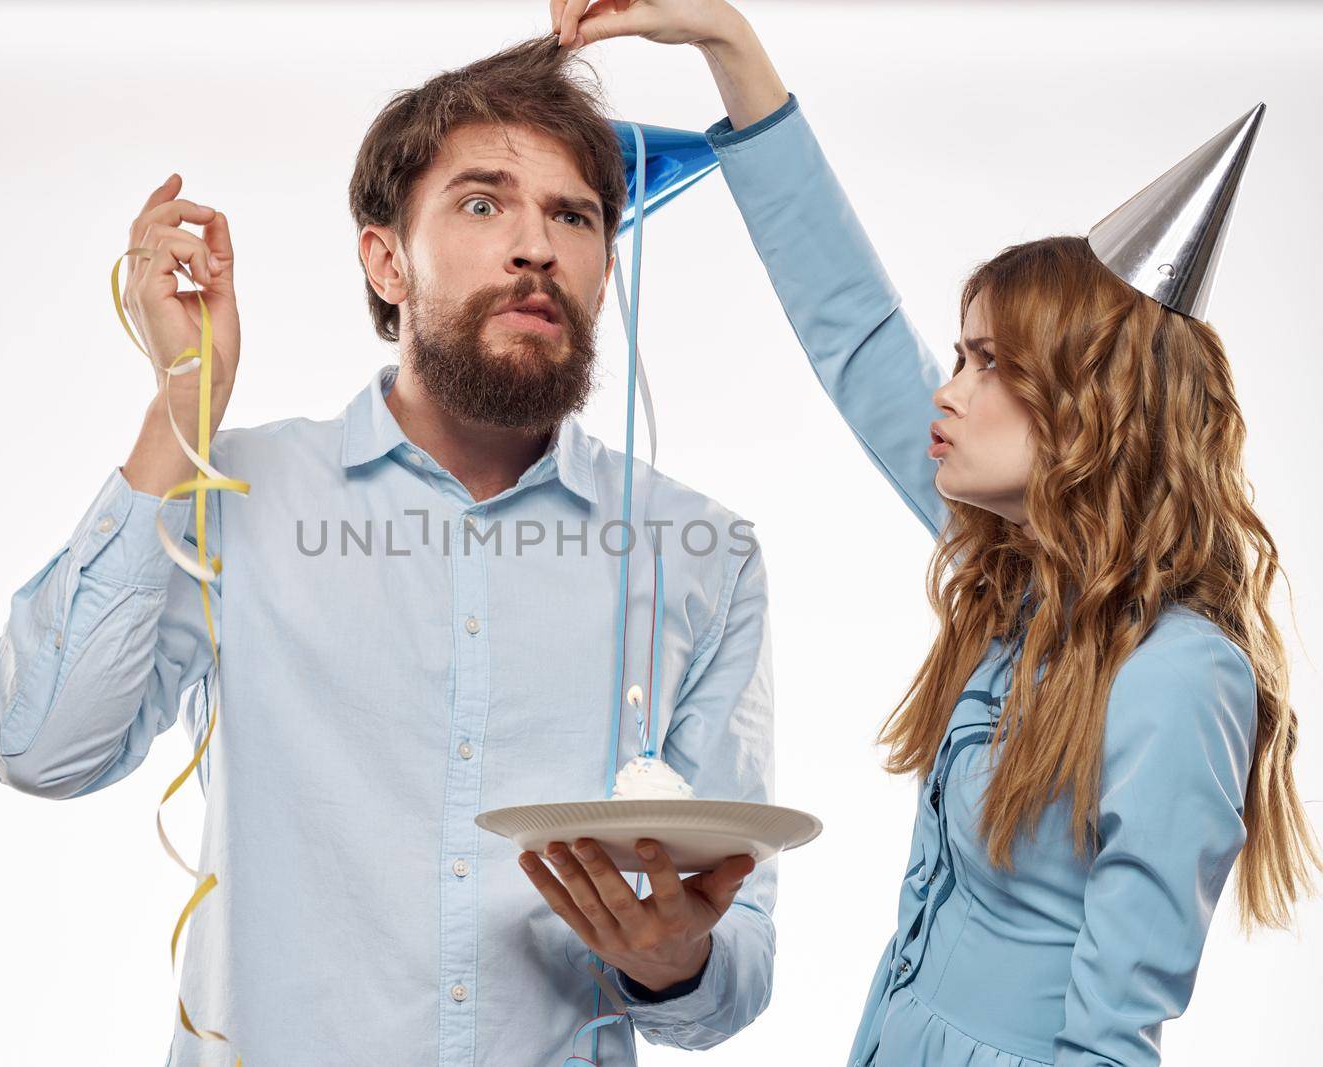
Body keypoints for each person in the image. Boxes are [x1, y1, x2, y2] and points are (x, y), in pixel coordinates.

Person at [0, 31, 782, 1066]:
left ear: (600, 270)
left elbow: (737, 960)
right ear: (385, 259)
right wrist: (185, 400)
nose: (535, 245)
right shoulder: (233, 498)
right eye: (483, 202)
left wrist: (674, 960)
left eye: (572, 215)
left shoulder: (702, 554)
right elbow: (41, 747)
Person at [555, 0, 1323, 1063]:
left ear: (1091, 412)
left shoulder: (1182, 674)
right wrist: (724, 41)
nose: (946, 392)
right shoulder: (1020, 588)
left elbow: (1110, 1042)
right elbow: (855, 331)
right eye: (959, 356)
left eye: (988, 362)